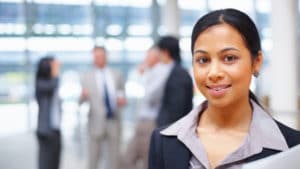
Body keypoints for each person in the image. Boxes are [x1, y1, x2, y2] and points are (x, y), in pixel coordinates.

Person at [148, 8, 300, 169]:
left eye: (229, 58)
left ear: (256, 62)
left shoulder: (293, 147)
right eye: (203, 60)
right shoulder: (163, 142)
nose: (214, 73)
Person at [80, 46, 126, 169]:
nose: (99, 59)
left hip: (113, 121)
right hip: (95, 122)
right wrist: (83, 96)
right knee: (93, 159)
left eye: (101, 56)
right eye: (96, 56)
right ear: (93, 58)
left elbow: (122, 94)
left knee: (114, 159)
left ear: (106, 57)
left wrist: (122, 101)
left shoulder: (117, 74)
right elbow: (81, 100)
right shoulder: (86, 76)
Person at [122, 46, 164, 169]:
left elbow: (150, 96)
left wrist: (144, 74)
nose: (145, 59)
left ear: (156, 57)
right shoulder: (149, 72)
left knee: (147, 160)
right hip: (141, 121)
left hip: (150, 122)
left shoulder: (160, 72)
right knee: (127, 158)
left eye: (147, 56)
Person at [155, 36, 194, 127]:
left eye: (159, 52)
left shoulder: (178, 74)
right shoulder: (176, 71)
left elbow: (176, 108)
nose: (158, 57)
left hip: (172, 128)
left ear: (165, 52)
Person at [35, 56, 62, 169]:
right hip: (46, 132)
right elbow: (52, 86)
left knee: (55, 164)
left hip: (56, 131)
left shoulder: (51, 83)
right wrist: (56, 72)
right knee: (45, 164)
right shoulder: (40, 83)